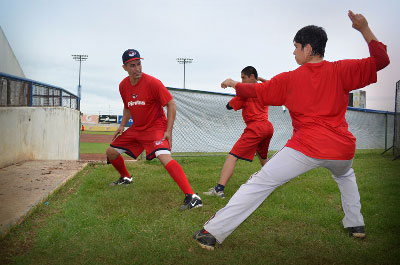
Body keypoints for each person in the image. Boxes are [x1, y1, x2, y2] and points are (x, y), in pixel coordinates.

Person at [193, 10, 390, 250]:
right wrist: (364, 29)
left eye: (296, 47)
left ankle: (210, 233)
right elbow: (381, 60)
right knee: (345, 175)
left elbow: (255, 91)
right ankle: (356, 224)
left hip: (306, 147)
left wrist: (235, 83)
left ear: (308, 49)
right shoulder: (342, 70)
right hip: (343, 150)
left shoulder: (290, 79)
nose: (294, 52)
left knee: (260, 182)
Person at [106, 49, 202, 210]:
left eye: (139, 64)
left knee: (163, 156)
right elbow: (127, 106)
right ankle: (126, 178)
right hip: (137, 128)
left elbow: (171, 104)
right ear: (125, 68)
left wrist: (168, 130)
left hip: (156, 127)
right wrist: (122, 125)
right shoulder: (123, 85)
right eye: (132, 65)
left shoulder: (153, 83)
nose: (137, 68)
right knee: (111, 152)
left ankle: (192, 197)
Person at [203, 66, 274, 198]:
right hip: (268, 128)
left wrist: (238, 93)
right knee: (263, 158)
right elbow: (271, 84)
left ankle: (219, 190)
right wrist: (259, 79)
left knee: (232, 157)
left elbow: (229, 106)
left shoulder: (245, 94)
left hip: (256, 128)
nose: (241, 81)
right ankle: (276, 180)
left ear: (251, 77)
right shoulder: (264, 90)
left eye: (243, 78)